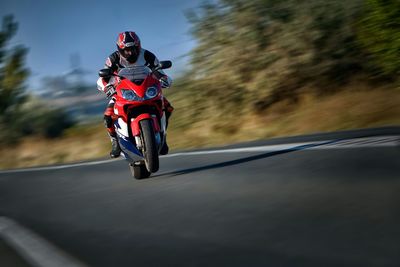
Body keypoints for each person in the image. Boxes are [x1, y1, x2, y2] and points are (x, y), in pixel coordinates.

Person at [97, 31, 174, 158]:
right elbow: (103, 77)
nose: (130, 52)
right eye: (126, 50)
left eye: (133, 49)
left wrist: (164, 79)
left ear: (138, 46)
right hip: (123, 91)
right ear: (120, 49)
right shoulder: (113, 58)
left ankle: (163, 136)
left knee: (168, 107)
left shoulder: (148, 55)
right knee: (108, 117)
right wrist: (107, 87)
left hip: (146, 88)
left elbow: (158, 70)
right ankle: (115, 141)